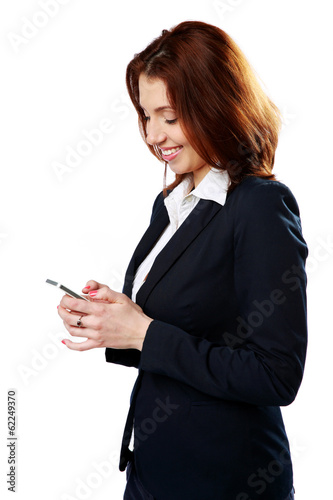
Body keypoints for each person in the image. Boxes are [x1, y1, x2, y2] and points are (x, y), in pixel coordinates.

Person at [57, 21, 307, 500]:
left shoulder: (258, 206)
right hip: (153, 471)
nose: (153, 135)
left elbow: (278, 375)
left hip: (226, 480)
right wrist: (114, 318)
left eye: (169, 117)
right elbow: (178, 330)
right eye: (146, 116)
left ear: (215, 104)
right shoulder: (174, 200)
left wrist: (143, 332)